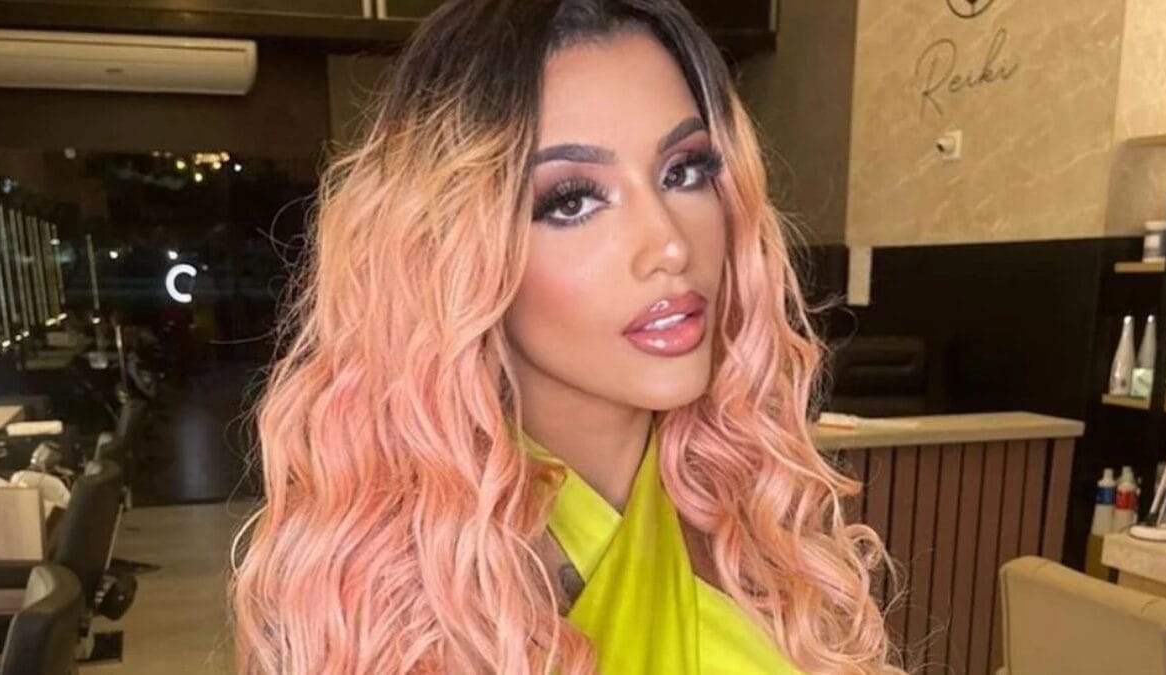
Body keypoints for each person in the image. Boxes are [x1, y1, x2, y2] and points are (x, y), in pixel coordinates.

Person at [232, 1, 898, 673]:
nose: (668, 244)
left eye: (684, 171)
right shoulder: (402, 600)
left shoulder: (752, 517)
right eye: (572, 200)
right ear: (449, 250)